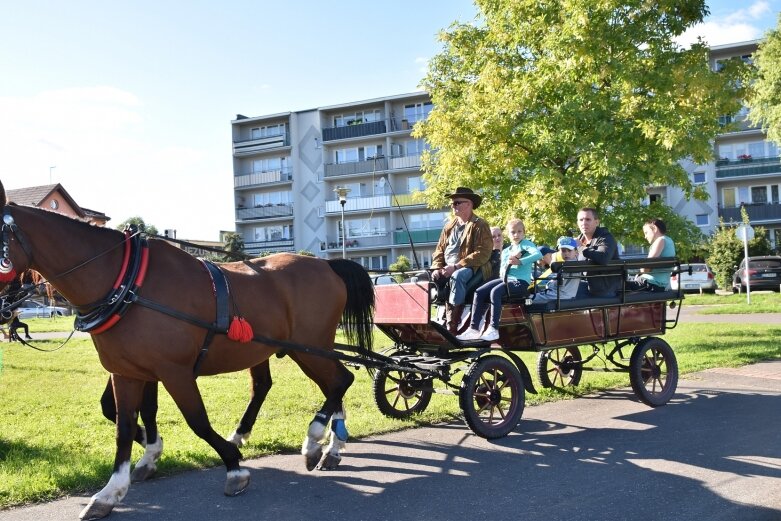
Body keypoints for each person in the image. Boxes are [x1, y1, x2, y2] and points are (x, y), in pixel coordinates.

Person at [457, 218, 541, 342]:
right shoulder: (506, 251)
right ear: (508, 234)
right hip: (506, 279)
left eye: (519, 231)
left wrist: (520, 261)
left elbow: (538, 255)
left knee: (495, 292)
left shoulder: (526, 244)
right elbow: (502, 271)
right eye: (513, 232)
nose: (516, 235)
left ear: (524, 232)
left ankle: (493, 328)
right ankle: (473, 328)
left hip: (521, 282)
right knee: (479, 291)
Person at [431, 187, 493, 334]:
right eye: (453, 203)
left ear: (469, 204)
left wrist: (456, 266)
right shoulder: (449, 226)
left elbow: (483, 253)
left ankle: (453, 324)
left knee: (457, 277)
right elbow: (439, 250)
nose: (454, 206)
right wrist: (436, 268)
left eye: (457, 202)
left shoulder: (480, 225)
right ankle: (429, 322)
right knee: (421, 279)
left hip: (474, 268)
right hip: (448, 267)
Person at [576, 207, 621, 297]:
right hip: (585, 284)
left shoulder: (605, 237)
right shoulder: (579, 239)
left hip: (606, 288)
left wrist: (581, 247)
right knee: (560, 293)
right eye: (581, 220)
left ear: (597, 222)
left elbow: (603, 258)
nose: (584, 223)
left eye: (588, 219)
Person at [626, 218, 676, 292]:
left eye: (646, 232)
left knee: (618, 286)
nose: (645, 237)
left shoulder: (660, 240)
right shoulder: (669, 240)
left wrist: (641, 270)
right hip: (657, 284)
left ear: (655, 228)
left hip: (650, 283)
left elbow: (646, 266)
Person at [529, 237, 581, 303]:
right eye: (563, 251)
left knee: (526, 300)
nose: (566, 253)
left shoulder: (571, 265)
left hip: (560, 295)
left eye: (569, 250)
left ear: (576, 252)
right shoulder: (565, 264)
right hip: (556, 294)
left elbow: (556, 284)